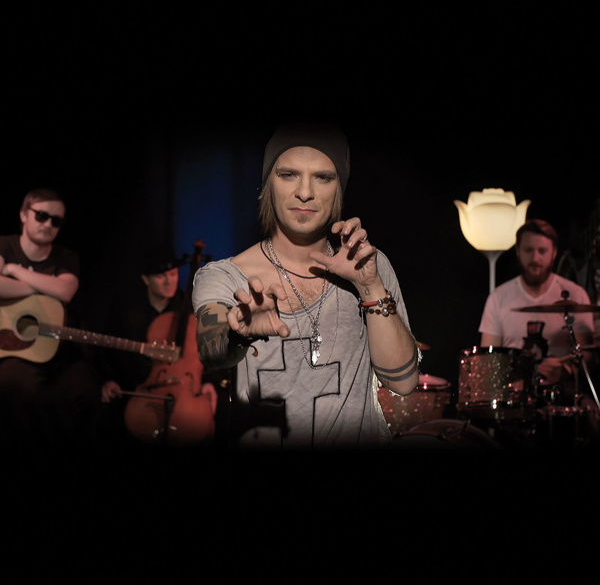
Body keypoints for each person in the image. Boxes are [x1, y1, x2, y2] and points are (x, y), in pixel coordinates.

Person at [191, 120, 421, 450]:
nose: (305, 192)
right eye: (289, 174)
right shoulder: (226, 276)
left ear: (338, 188)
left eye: (323, 177)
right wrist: (238, 333)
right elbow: (210, 349)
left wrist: (369, 287)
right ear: (268, 184)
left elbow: (403, 382)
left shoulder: (369, 265)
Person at [478, 218, 599, 449]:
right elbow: (489, 361)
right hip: (514, 400)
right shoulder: (499, 297)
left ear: (554, 253)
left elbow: (588, 357)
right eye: (528, 250)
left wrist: (565, 370)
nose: (535, 258)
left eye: (542, 251)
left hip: (562, 398)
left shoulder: (575, 295)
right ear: (518, 252)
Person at [0, 188, 103, 451]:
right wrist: (44, 287)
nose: (48, 224)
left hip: (59, 349)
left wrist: (13, 270)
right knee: (17, 386)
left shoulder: (66, 257)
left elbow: (65, 290)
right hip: (12, 347)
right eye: (41, 216)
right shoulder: (4, 245)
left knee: (85, 389)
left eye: (56, 221)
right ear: (24, 215)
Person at [98, 245, 218, 449]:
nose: (169, 281)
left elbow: (211, 353)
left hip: (185, 391)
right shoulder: (127, 310)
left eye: (173, 274)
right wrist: (107, 379)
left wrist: (207, 383)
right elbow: (107, 350)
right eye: (161, 276)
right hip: (137, 391)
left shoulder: (191, 310)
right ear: (146, 279)